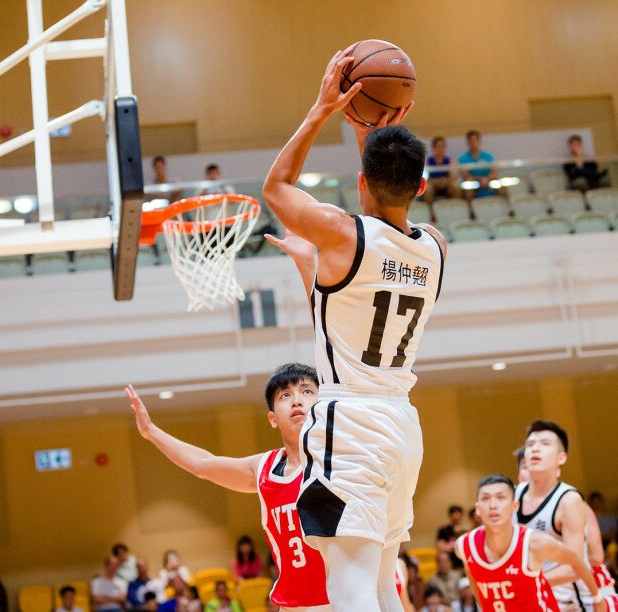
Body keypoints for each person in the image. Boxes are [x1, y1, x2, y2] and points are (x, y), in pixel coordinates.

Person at [261, 47, 444, 612]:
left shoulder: (344, 236)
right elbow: (359, 295)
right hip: (400, 427)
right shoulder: (435, 247)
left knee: (347, 576)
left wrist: (323, 109)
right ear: (420, 187)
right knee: (384, 578)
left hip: (353, 423)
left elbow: (277, 187)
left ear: (360, 180)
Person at [128, 363, 330, 611]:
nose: (297, 400)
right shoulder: (264, 469)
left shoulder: (340, 460)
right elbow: (203, 464)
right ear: (272, 418)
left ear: (323, 406)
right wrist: (150, 431)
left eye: (307, 391)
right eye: (285, 395)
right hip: (292, 605)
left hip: (340, 599)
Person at [455, 474, 606, 611]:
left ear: (515, 506)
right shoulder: (464, 546)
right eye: (485, 498)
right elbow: (474, 579)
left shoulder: (534, 543)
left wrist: (597, 598)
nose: (493, 505)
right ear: (477, 509)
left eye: (501, 498)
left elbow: (575, 559)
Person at [514, 420, 613, 611]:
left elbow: (579, 565)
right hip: (539, 599)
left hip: (575, 603)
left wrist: (524, 583)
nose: (535, 449)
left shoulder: (569, 501)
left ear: (561, 458)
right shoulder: (513, 496)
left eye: (544, 444)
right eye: (530, 444)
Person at [458, 130, 498, 201]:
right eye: (471, 141)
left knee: (502, 185)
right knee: (468, 185)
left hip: (488, 181)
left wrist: (487, 179)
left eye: (475, 140)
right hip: (473, 182)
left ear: (479, 141)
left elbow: (494, 172)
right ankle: (471, 210)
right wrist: (479, 180)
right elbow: (465, 175)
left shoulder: (488, 156)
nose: (473, 143)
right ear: (468, 142)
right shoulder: (463, 158)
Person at [423, 136, 460, 204]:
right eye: (438, 147)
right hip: (433, 185)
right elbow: (425, 178)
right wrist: (435, 181)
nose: (440, 149)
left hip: (447, 185)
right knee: (428, 188)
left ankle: (455, 207)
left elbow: (454, 176)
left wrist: (446, 181)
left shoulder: (450, 161)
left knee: (456, 186)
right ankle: (430, 212)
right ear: (433, 148)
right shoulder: (428, 162)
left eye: (442, 147)